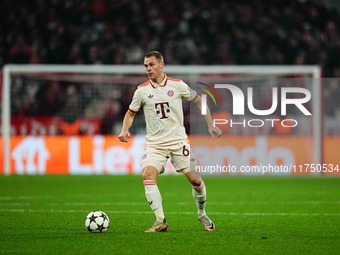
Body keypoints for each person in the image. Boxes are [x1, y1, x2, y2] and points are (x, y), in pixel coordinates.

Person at [118, 51, 222, 232]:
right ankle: (160, 221)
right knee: (147, 175)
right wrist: (124, 130)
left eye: (151, 65)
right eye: (145, 66)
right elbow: (130, 113)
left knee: (196, 181)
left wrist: (211, 125)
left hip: (178, 143)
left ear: (161, 64)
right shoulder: (141, 91)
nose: (148, 69)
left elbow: (199, 101)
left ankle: (202, 213)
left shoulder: (178, 85)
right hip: (155, 145)